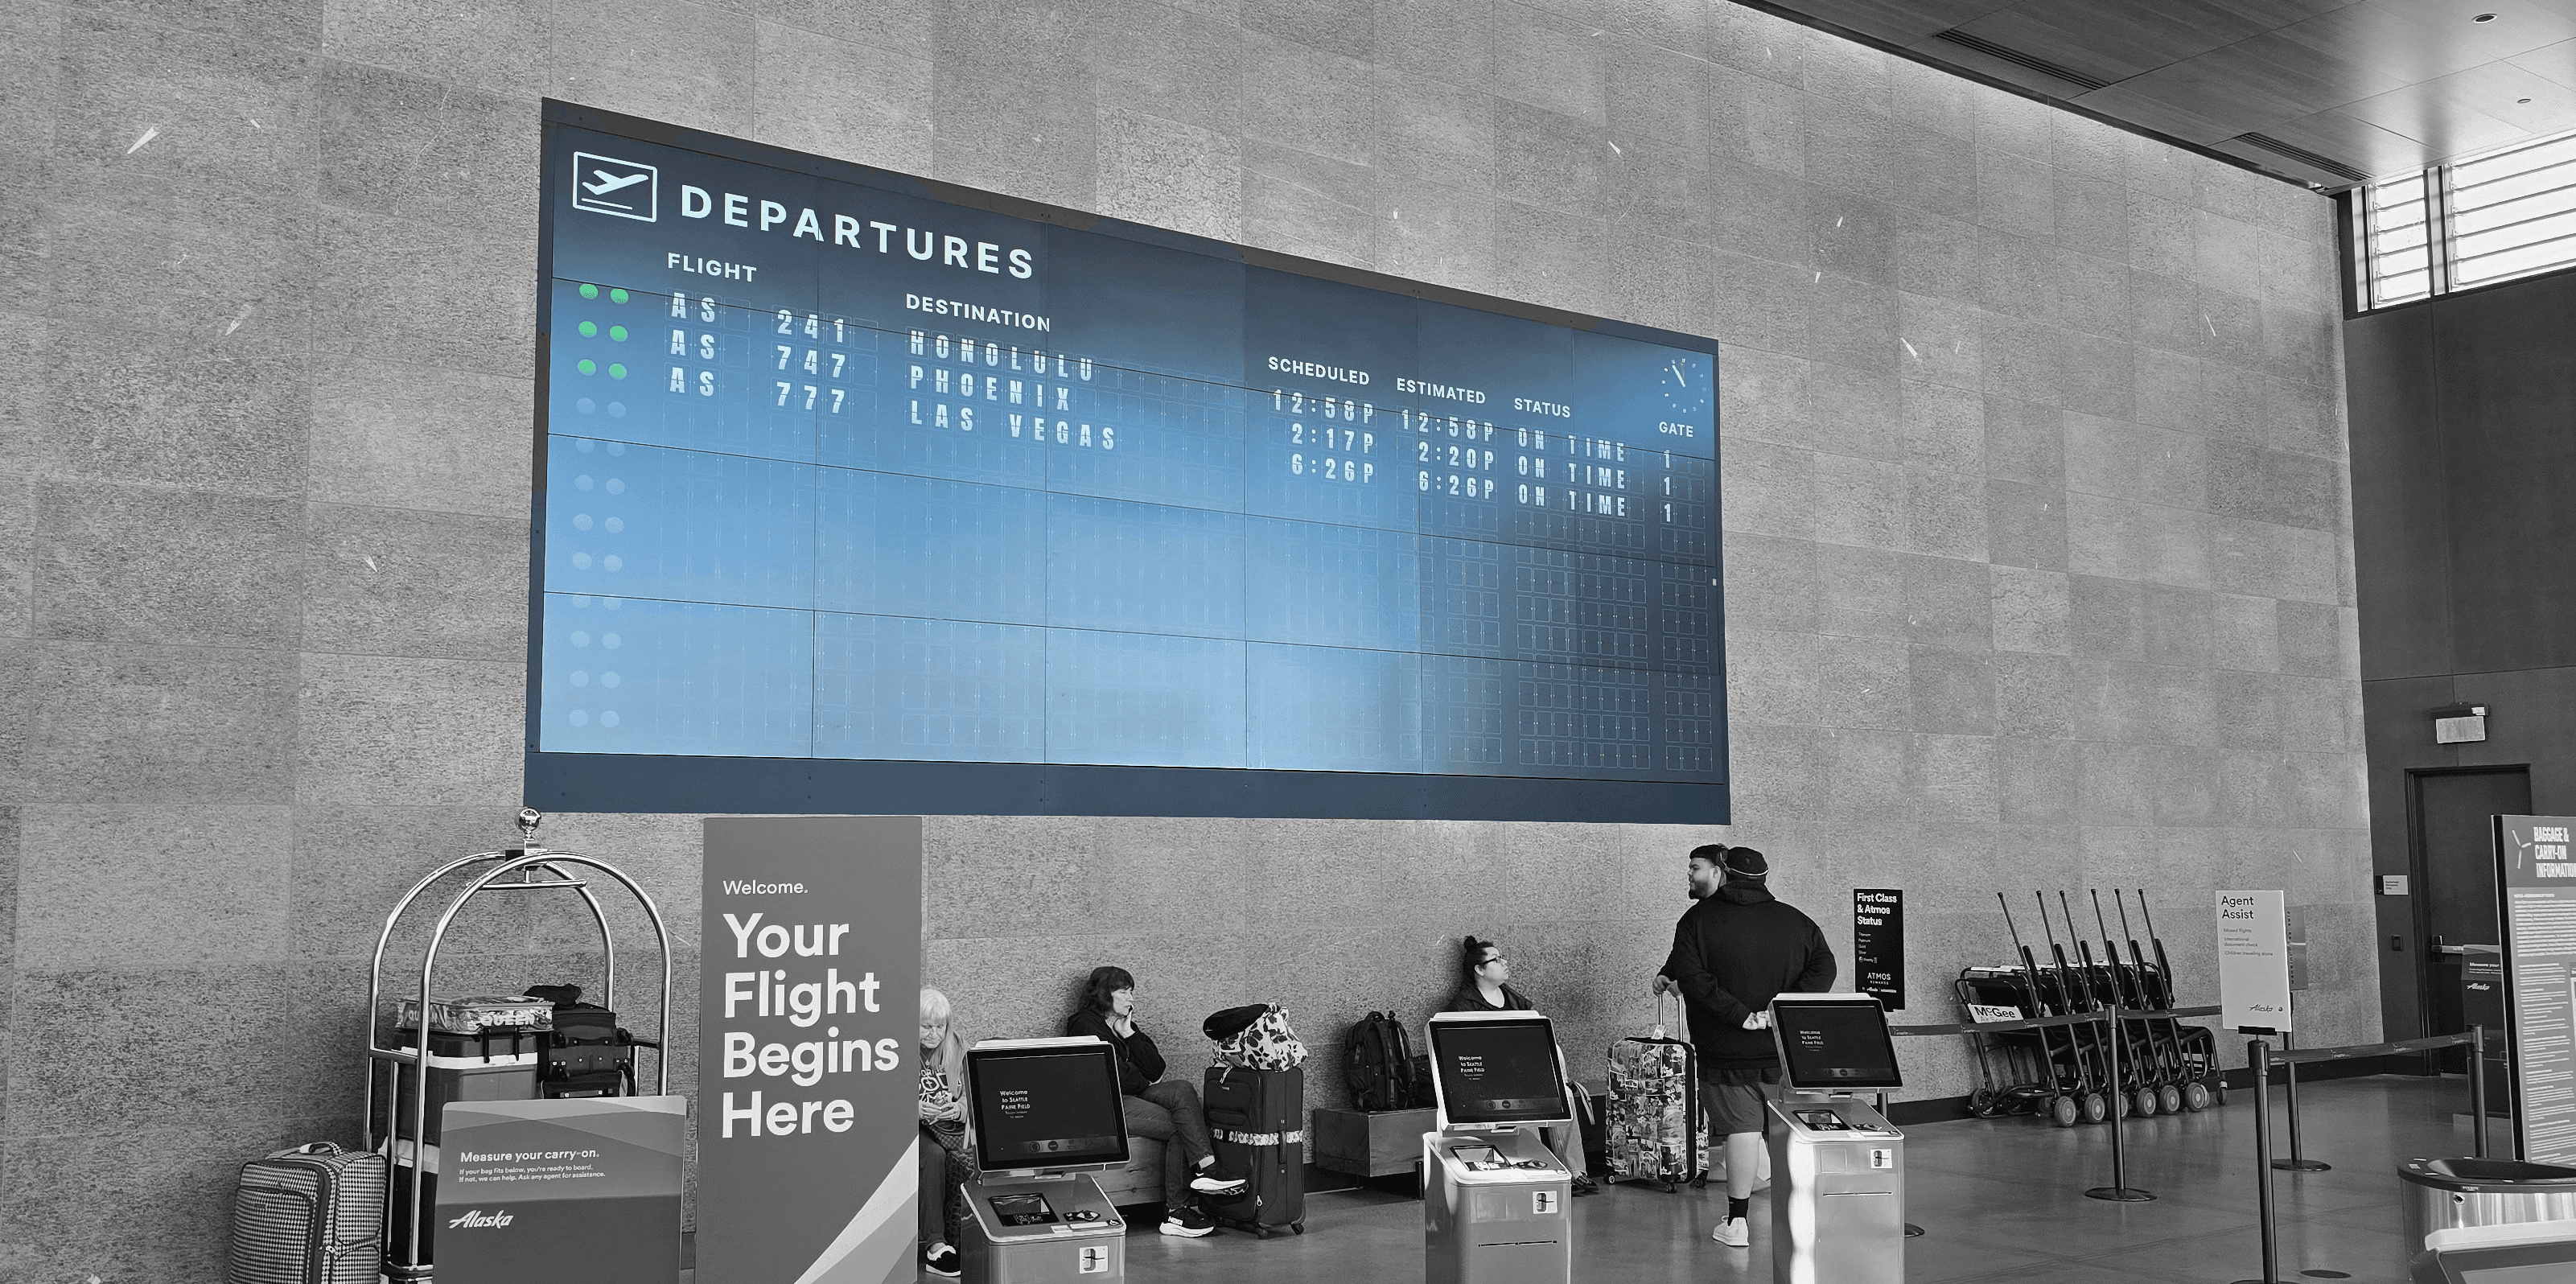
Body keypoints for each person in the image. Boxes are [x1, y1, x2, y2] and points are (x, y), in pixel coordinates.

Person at [1655, 845, 1835, 1249]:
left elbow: (1692, 976)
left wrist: (1740, 1014)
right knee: (1794, 1130)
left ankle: (1737, 1223)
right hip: (1786, 1048)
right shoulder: (1797, 920)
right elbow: (1825, 966)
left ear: (1725, 873)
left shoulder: (1697, 920)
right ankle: (1813, 1215)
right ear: (1764, 878)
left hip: (1726, 1049)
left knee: (1741, 1131)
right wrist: (1780, 1010)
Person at [1063, 965, 1246, 1237]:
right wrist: (1142, 1078)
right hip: (1103, 1106)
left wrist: (1129, 1035)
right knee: (1179, 1126)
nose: (1131, 999)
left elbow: (1157, 1067)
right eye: (1124, 992)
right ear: (1104, 995)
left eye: (1131, 992)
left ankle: (1207, 1170)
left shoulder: (1123, 1025)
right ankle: (1177, 1210)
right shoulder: (1083, 1025)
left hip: (1132, 1096)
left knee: (1182, 1088)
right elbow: (1113, 1076)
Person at [1444, 935, 1599, 1196]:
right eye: (1497, 959)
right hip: (1490, 1081)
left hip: (1523, 1073)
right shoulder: (1464, 1005)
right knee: (1526, 1103)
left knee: (1565, 1098)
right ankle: (1538, 1171)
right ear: (1479, 970)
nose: (1504, 963)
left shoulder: (1516, 1001)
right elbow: (1463, 1054)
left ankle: (1574, 1172)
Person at [917, 988, 972, 1278]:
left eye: (941, 1027)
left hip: (951, 1127)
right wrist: (914, 1109)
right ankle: (936, 1244)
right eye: (926, 1026)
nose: (934, 1034)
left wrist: (959, 1109)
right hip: (914, 1129)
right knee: (934, 1156)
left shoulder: (958, 1046)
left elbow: (974, 1094)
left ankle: (972, 1237)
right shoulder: (892, 1048)